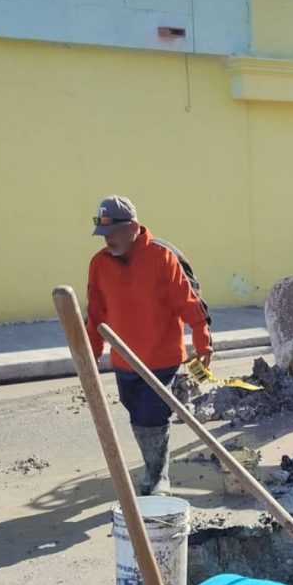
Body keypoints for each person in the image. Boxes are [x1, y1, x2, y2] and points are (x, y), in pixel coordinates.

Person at [86, 195, 212, 496]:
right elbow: (96, 315)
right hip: (123, 359)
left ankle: (157, 476)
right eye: (103, 235)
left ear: (131, 227)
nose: (107, 241)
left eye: (112, 233)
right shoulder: (99, 264)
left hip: (162, 357)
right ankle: (152, 464)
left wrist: (202, 343)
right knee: (136, 413)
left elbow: (189, 304)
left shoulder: (160, 258)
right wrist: (90, 357)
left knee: (153, 412)